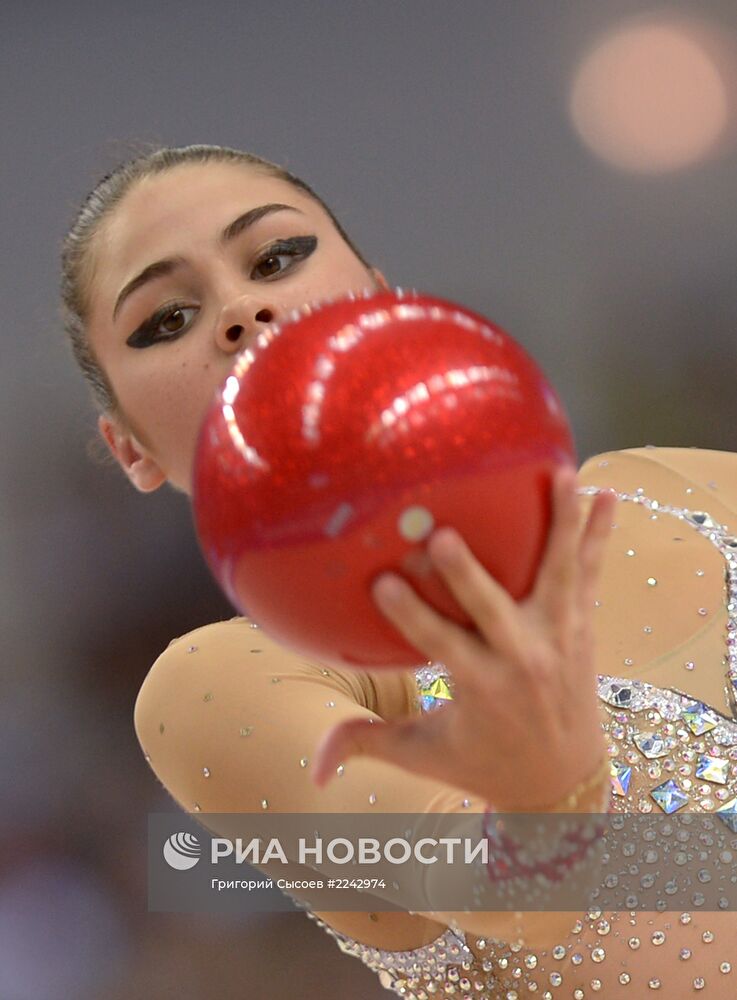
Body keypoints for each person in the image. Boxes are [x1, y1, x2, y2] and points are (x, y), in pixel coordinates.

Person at [61, 143, 737, 996]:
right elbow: (509, 892)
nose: (238, 309)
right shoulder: (221, 683)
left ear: (382, 296)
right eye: (166, 320)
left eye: (274, 258)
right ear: (130, 449)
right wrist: (543, 802)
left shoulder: (678, 487)